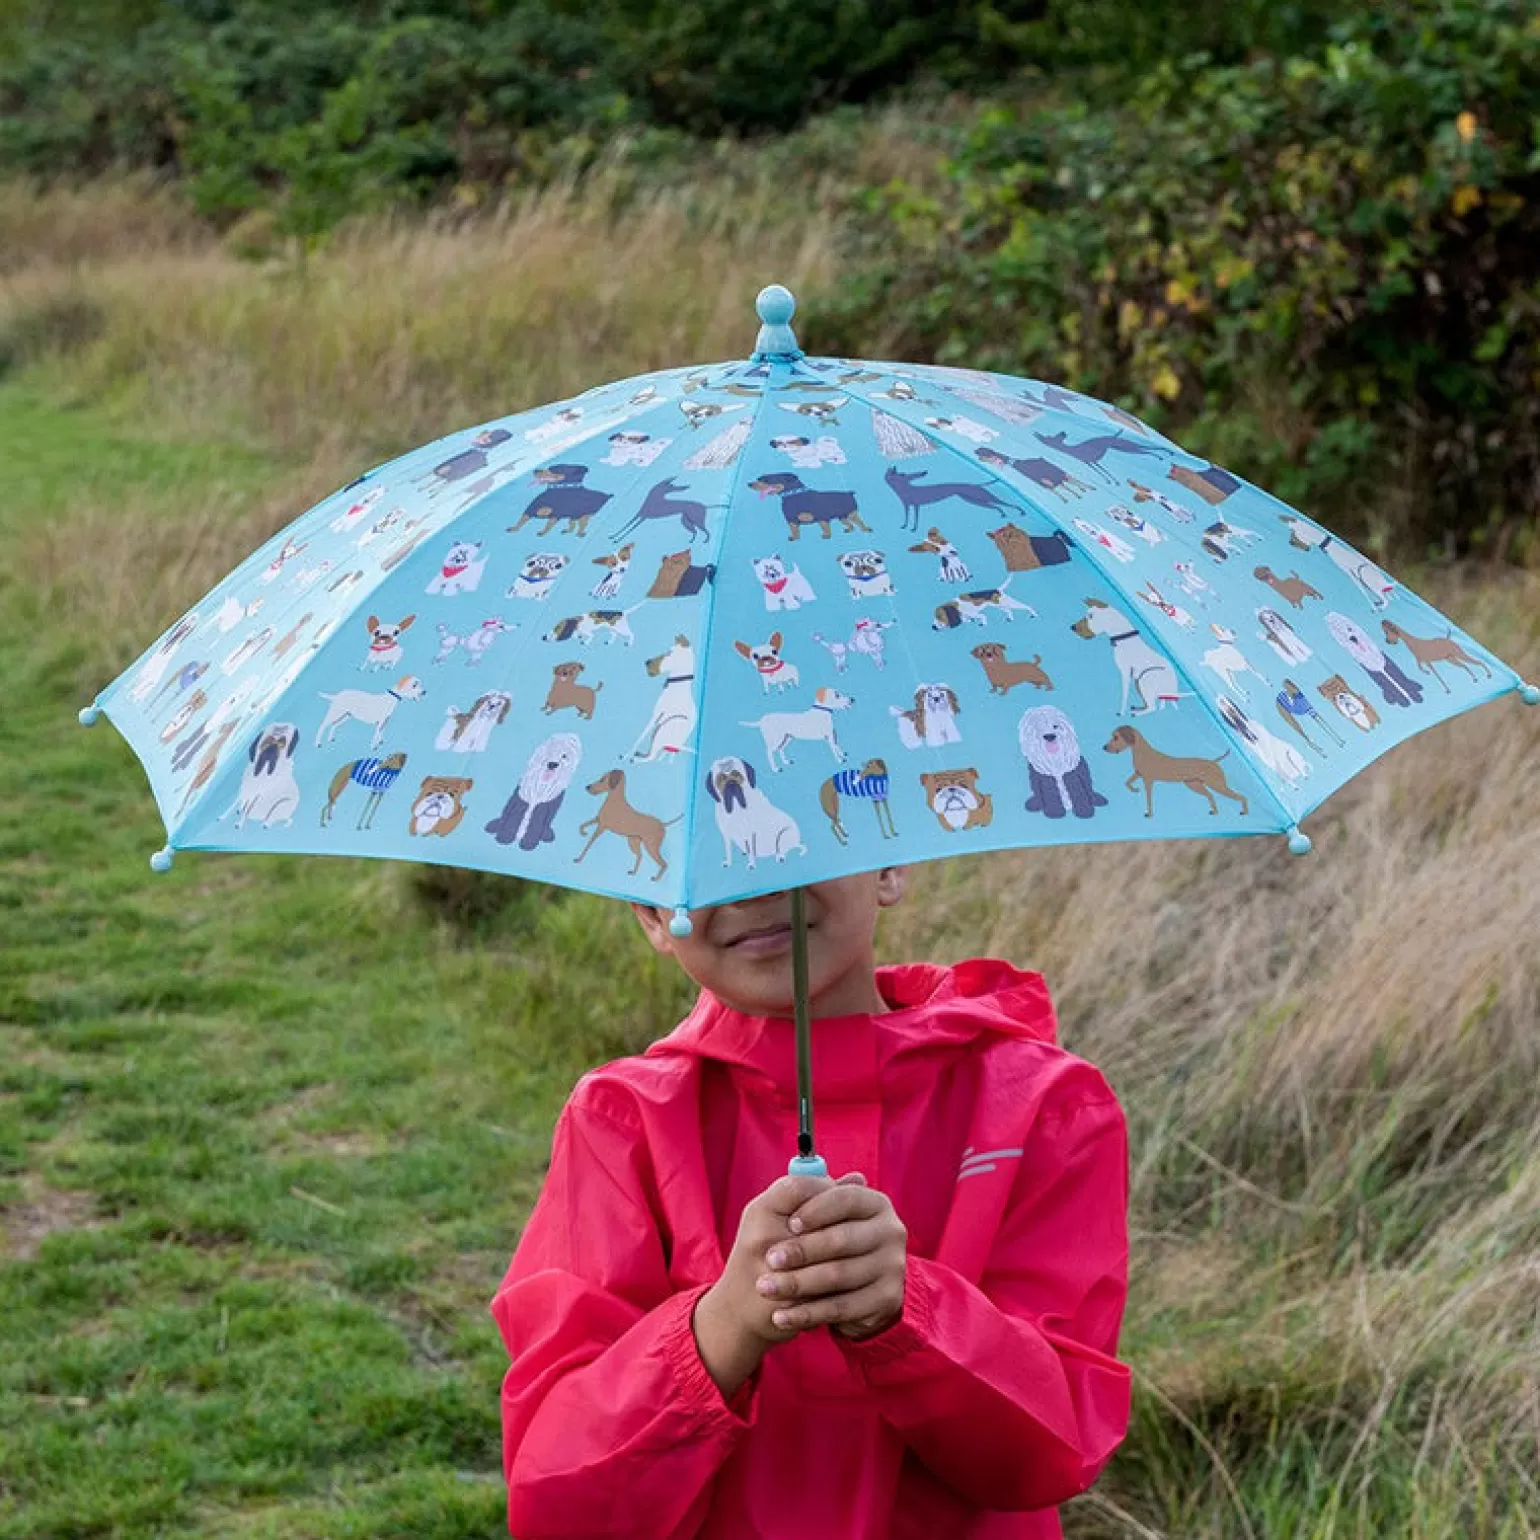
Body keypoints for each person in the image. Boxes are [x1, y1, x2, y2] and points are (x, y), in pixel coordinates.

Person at [490, 868, 1131, 1538]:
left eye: (792, 848)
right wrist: (722, 1326)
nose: (748, 891)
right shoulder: (620, 1123)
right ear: (652, 915)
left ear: (888, 868)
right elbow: (561, 1508)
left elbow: (1054, 1451)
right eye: (712, 863)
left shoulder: (1048, 1109)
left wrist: (910, 1312)